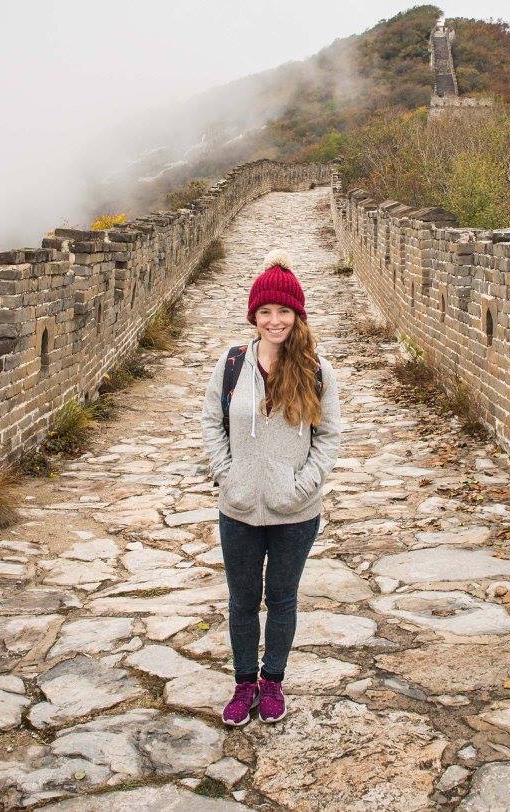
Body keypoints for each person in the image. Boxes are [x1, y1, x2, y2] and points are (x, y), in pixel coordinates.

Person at [200, 249, 342, 726]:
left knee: (281, 599)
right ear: (254, 316)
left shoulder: (316, 369)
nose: (275, 320)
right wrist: (228, 474)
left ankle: (273, 682)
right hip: (238, 508)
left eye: (284, 311)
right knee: (242, 601)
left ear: (296, 315)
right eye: (266, 312)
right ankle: (244, 685)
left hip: (295, 512)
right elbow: (210, 424)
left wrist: (303, 486)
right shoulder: (232, 363)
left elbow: (328, 437)